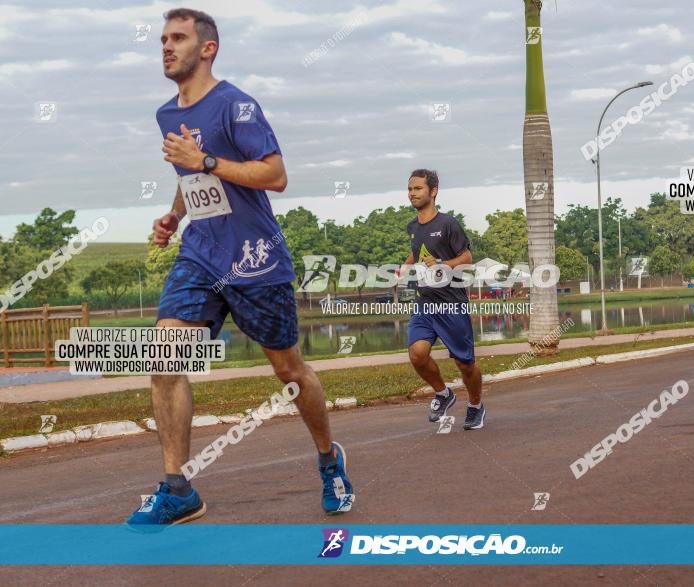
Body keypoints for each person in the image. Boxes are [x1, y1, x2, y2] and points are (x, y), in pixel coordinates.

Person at [126, 8, 353, 528]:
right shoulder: (166, 113)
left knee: (289, 371)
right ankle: (177, 488)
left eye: (178, 38)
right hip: (200, 255)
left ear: (208, 48)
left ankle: (328, 459)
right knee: (165, 355)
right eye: (162, 38)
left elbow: (275, 174)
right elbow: (190, 176)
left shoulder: (237, 106)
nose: (166, 46)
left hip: (255, 261)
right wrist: (175, 215)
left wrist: (205, 161)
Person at [399, 169, 486, 429]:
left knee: (465, 363)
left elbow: (467, 257)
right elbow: (417, 252)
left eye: (418, 189)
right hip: (425, 302)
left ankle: (476, 406)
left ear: (433, 191)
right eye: (410, 189)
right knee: (417, 354)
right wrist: (405, 265)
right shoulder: (413, 226)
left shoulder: (448, 224)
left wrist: (443, 264)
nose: (412, 193)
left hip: (451, 303)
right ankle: (443, 393)